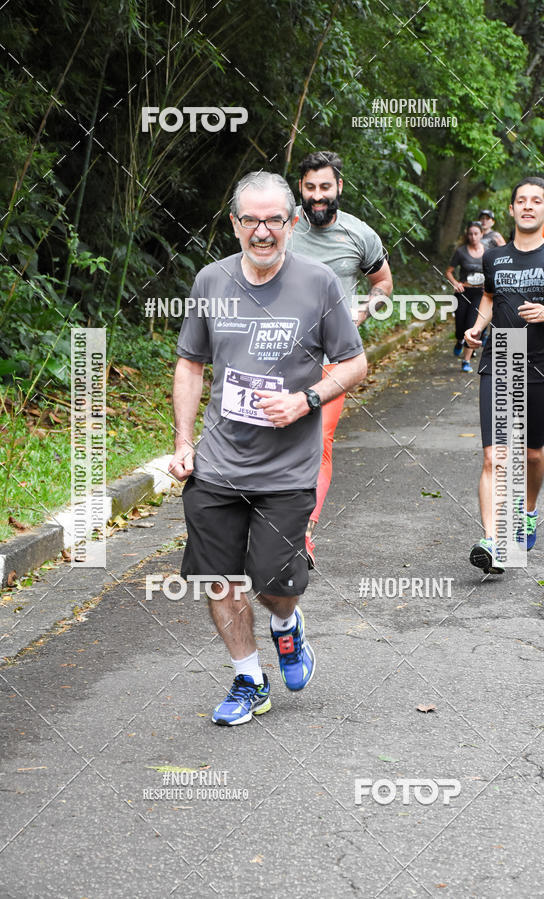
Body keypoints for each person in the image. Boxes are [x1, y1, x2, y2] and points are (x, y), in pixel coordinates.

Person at [168, 171, 367, 725]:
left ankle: (286, 625)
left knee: (273, 585)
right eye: (250, 220)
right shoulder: (210, 282)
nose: (261, 231)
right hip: (218, 463)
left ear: (292, 223)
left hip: (287, 469)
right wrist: (184, 443)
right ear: (234, 224)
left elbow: (355, 363)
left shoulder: (319, 283)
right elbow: (190, 363)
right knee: (218, 578)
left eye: (273, 220)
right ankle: (248, 679)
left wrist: (308, 399)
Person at [465, 176, 544, 574]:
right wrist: (477, 326)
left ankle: (529, 511)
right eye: (520, 200)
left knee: (531, 453)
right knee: (494, 456)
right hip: (501, 357)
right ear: (511, 209)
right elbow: (490, 295)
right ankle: (494, 541)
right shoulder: (495, 257)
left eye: (535, 201)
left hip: (541, 362)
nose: (527, 206)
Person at [289, 150, 393, 568]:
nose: (318, 196)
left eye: (325, 187)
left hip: (333, 356)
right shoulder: (281, 224)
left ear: (339, 188)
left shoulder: (360, 235)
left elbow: (383, 281)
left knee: (319, 441)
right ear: (301, 188)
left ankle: (302, 535)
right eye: (310, 187)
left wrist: (364, 312)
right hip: (276, 354)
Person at [446, 221, 486, 373]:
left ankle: (466, 360)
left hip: (480, 294)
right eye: (470, 234)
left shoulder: (488, 252)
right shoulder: (461, 252)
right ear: (467, 235)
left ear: (481, 234)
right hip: (463, 293)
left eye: (476, 233)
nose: (473, 237)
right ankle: (459, 340)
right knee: (460, 326)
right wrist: (456, 283)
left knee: (472, 325)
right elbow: (449, 271)